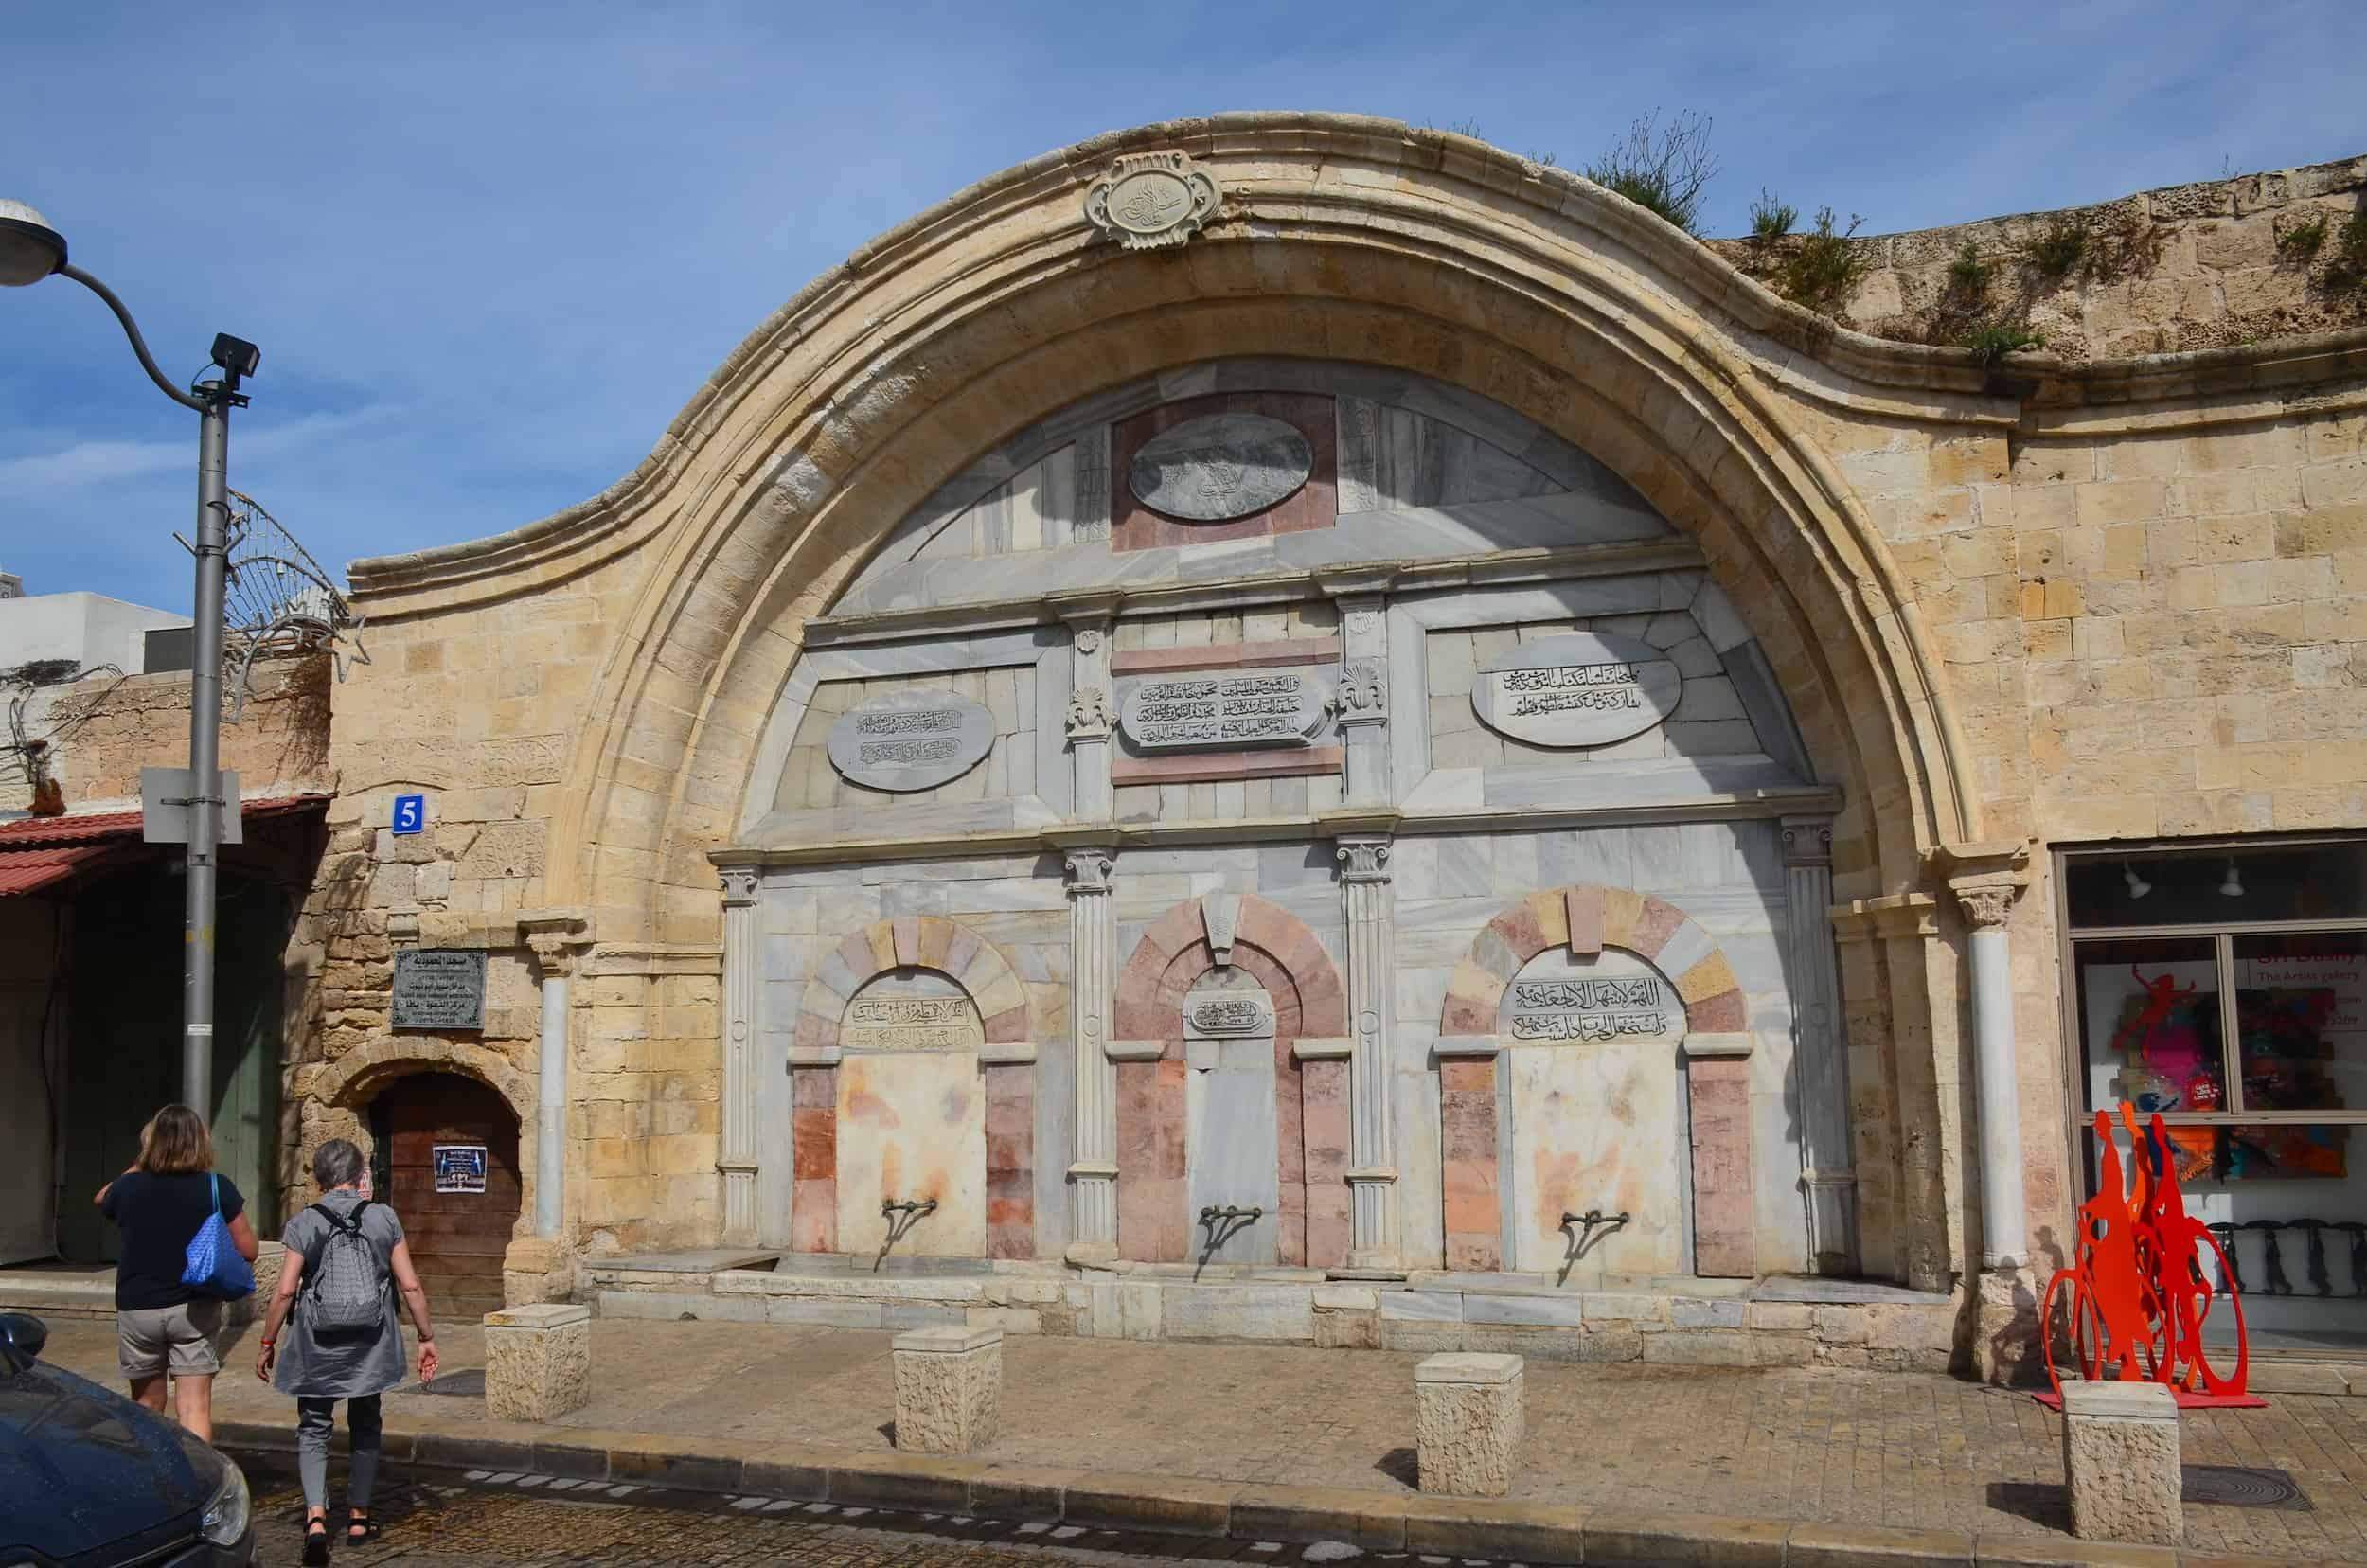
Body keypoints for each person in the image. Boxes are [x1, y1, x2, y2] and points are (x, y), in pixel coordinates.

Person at [254, 1137, 438, 1565]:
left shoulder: (304, 1223)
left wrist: (267, 1341)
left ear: (319, 1178)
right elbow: (409, 1285)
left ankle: (316, 1518)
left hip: (317, 1341)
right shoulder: (383, 1218)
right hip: (370, 1340)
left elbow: (284, 1291)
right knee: (366, 1422)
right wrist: (426, 1337)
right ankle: (359, 1517)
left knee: (314, 1424)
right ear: (360, 1177)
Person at [95, 1104, 260, 1446]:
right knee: (194, 1409)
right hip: (194, 1309)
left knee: (147, 1405)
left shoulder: (128, 1188)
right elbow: (249, 1250)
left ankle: (153, 1484)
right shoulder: (217, 1187)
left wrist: (143, 1159)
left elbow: (101, 1198)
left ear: (151, 1142)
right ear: (201, 1143)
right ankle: (196, 1484)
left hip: (138, 1307)